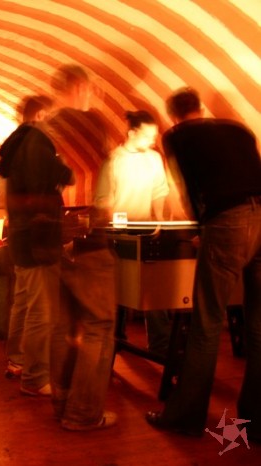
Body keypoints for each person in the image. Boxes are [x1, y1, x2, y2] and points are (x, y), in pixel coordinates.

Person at [146, 88, 261, 442]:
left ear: (173, 115)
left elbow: (186, 189)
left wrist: (202, 228)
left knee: (206, 324)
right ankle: (256, 422)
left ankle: (186, 416)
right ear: (201, 107)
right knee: (259, 326)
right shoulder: (239, 129)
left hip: (227, 221)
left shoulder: (177, 136)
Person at [43, 65, 118, 431]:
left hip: (54, 233)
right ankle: (83, 413)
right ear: (78, 86)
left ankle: (62, 404)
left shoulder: (43, 130)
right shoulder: (88, 123)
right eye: (91, 88)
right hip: (88, 229)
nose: (94, 95)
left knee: (64, 325)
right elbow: (104, 181)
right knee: (99, 325)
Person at [0, 93, 74, 392]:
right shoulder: (38, 143)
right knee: (42, 311)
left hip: (20, 235)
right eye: (52, 117)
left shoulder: (15, 144)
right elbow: (65, 176)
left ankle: (17, 360)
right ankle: (35, 377)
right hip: (38, 237)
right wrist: (61, 164)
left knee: (23, 302)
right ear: (41, 115)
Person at [94, 110, 171, 357]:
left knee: (153, 285)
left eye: (154, 136)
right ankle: (115, 338)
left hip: (147, 229)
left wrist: (159, 218)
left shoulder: (154, 159)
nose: (152, 141)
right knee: (120, 287)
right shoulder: (114, 161)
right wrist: (112, 224)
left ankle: (160, 343)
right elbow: (104, 200)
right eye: (148, 136)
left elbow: (159, 190)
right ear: (132, 133)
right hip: (120, 231)